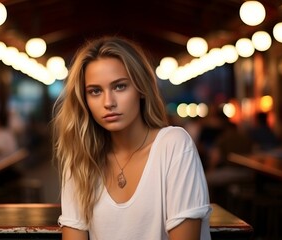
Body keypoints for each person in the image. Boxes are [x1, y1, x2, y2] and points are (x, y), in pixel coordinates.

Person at [52, 36, 211, 240]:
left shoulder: (174, 145)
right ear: (84, 100)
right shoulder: (80, 160)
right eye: (95, 91)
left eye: (119, 86)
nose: (108, 102)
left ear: (141, 89)